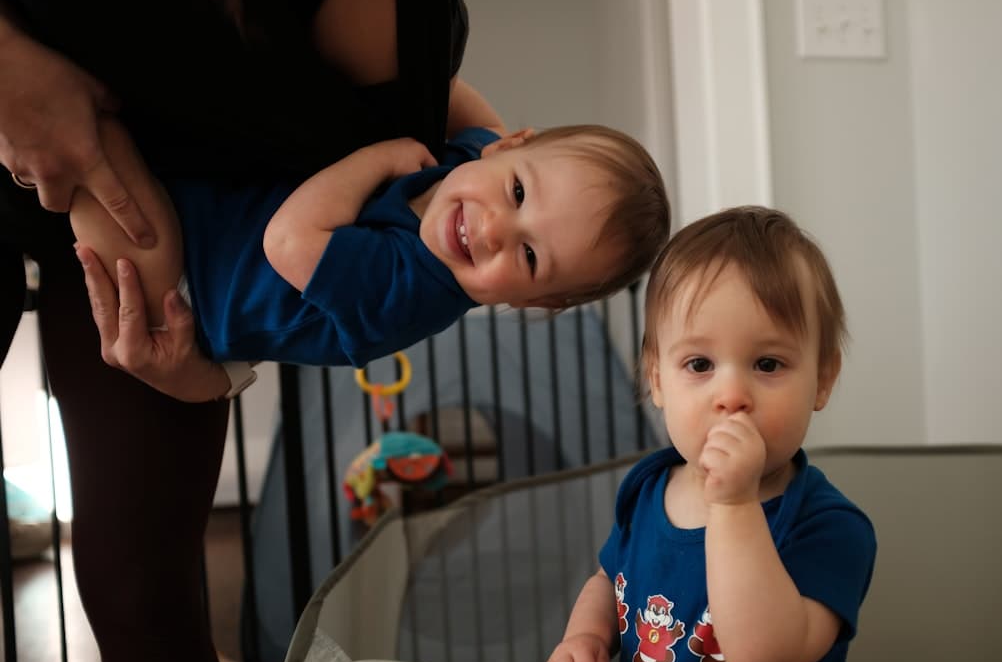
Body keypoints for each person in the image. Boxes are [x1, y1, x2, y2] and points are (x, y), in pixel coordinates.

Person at [0, 0, 492, 662]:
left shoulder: (407, 40)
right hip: (95, 160)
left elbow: (293, 258)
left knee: (137, 590)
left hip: (173, 236)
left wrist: (217, 370)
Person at [68, 118, 670, 400]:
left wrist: (378, 159)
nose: (492, 230)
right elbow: (463, 101)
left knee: (94, 153)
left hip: (185, 289)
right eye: (516, 192)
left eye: (531, 256)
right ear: (511, 143)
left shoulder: (410, 292)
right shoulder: (478, 158)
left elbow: (289, 243)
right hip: (209, 212)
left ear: (531, 300)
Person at [535, 206, 877, 662]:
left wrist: (734, 504)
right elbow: (610, 579)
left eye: (767, 363)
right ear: (656, 378)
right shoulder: (648, 488)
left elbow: (763, 654)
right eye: (699, 363)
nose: (731, 394)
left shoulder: (829, 527)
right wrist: (585, 637)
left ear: (822, 380)